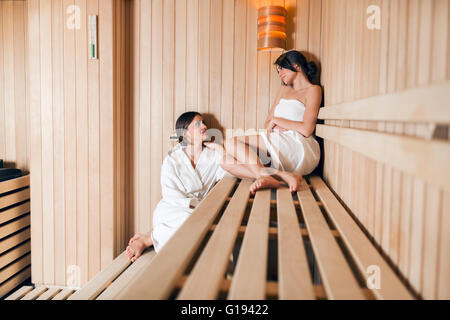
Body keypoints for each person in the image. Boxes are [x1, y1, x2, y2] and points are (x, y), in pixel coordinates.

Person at [126, 112, 231, 261]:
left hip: (201, 210)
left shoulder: (213, 156)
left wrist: (220, 150)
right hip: (172, 209)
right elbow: (170, 194)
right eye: (198, 124)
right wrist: (192, 206)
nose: (205, 126)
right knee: (189, 221)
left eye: (204, 122)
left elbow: (230, 173)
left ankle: (150, 238)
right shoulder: (172, 158)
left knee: (198, 223)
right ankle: (146, 241)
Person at [222, 50, 322, 195]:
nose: (279, 74)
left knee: (231, 143)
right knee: (225, 161)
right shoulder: (283, 90)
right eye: (278, 71)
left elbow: (306, 129)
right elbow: (267, 124)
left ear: (297, 65)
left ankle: (265, 175)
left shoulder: (313, 90)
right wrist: (277, 124)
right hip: (278, 142)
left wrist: (277, 121)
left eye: (282, 68)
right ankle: (281, 175)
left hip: (298, 146)